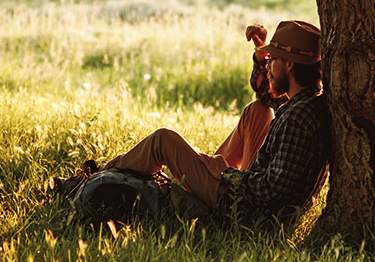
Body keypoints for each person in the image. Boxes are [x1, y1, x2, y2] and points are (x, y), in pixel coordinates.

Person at [102, 20, 331, 224]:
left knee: (163, 140)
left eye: (273, 60)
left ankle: (94, 178)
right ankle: (198, 177)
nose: (268, 67)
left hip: (244, 211)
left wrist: (225, 173)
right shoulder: (304, 105)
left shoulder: (297, 120)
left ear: (290, 65)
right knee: (257, 110)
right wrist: (261, 54)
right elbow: (265, 95)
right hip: (250, 198)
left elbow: (272, 191)